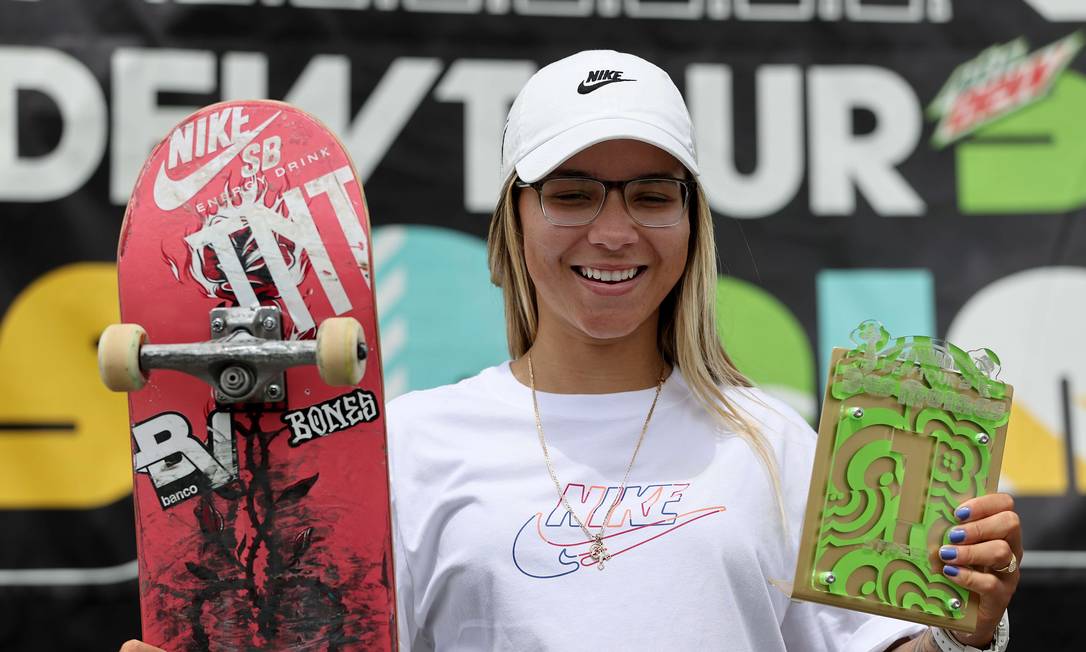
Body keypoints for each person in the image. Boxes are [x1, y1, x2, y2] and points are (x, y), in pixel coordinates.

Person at [122, 49, 1021, 652]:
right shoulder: (408, 449)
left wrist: (969, 630)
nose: (615, 230)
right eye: (574, 192)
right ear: (516, 216)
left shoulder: (771, 442)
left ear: (692, 219)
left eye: (652, 194)